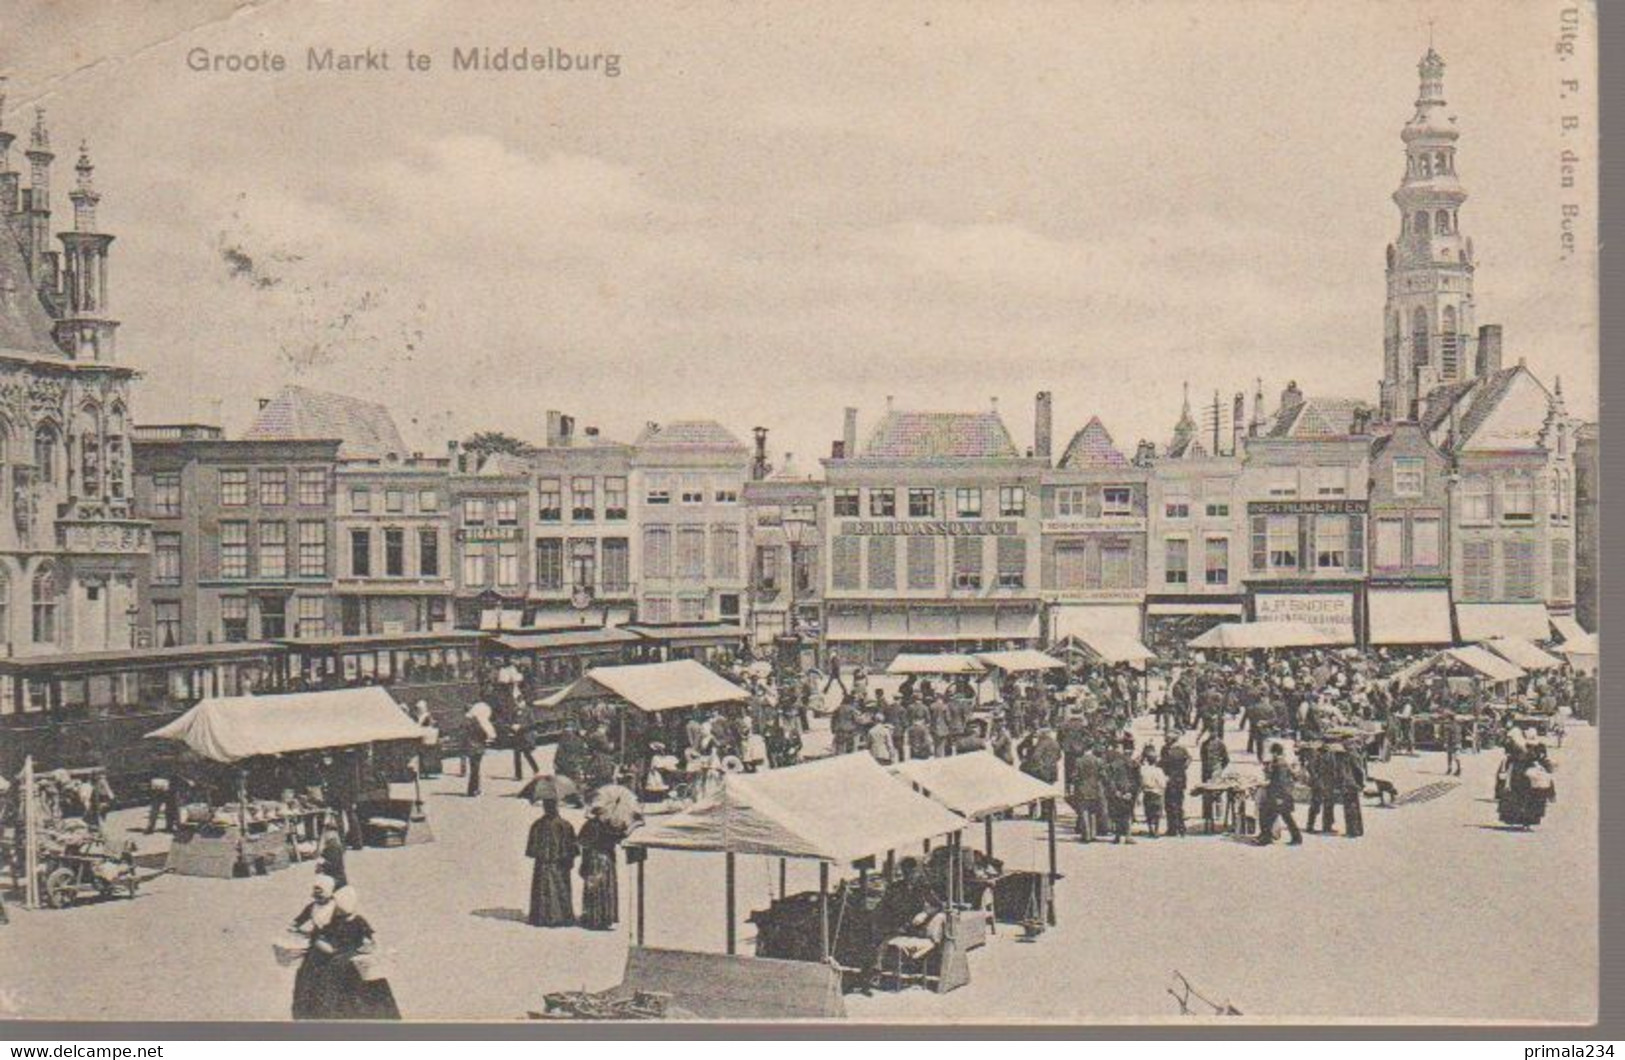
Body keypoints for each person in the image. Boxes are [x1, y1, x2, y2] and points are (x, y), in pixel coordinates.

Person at [526, 798, 578, 926]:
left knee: (543, 889)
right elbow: (573, 848)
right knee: (560, 889)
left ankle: (541, 916)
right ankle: (561, 916)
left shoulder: (537, 824)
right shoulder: (565, 825)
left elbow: (531, 850)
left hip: (542, 864)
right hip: (560, 864)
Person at [577, 805, 624, 931]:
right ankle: (605, 917)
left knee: (595, 887)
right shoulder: (612, 825)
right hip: (607, 860)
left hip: (594, 859)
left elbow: (582, 843)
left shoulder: (590, 825)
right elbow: (620, 838)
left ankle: (594, 917)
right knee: (605, 887)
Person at [1256, 743, 1303, 846]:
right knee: (1281, 816)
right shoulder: (1283, 762)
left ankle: (1266, 838)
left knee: (1273, 816)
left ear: (1276, 753)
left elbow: (1279, 782)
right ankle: (1296, 838)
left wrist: (1278, 795)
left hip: (1280, 795)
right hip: (1283, 794)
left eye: (1273, 753)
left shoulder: (1279, 764)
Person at [1199, 729, 1229, 832]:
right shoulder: (1204, 744)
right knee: (1206, 793)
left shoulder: (1221, 744)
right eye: (1211, 731)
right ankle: (1207, 815)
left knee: (1217, 792)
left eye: (1214, 731)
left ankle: (1219, 812)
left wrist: (1219, 769)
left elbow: (1226, 759)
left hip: (1216, 770)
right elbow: (1202, 758)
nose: (1213, 733)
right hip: (1206, 770)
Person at [1160, 735, 1190, 837]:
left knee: (1170, 805)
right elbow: (1189, 759)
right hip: (1180, 779)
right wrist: (1183, 768)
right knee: (1179, 804)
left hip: (1171, 780)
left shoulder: (1166, 750)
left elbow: (1163, 763)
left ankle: (1172, 829)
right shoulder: (1182, 749)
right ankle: (1181, 828)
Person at [464, 701, 496, 797]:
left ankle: (472, 789)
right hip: (477, 748)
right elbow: (485, 735)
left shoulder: (468, 722)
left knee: (474, 769)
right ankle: (474, 790)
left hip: (470, 747)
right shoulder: (478, 723)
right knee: (476, 770)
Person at [510, 698, 540, 779]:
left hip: (526, 736)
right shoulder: (515, 711)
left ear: (523, 702)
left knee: (527, 754)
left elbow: (532, 724)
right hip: (517, 736)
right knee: (516, 756)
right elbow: (512, 721)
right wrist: (512, 726)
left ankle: (536, 770)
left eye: (520, 702)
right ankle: (518, 775)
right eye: (517, 702)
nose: (518, 704)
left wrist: (521, 727)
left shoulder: (529, 711)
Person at [1139, 749, 1166, 839]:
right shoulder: (1158, 770)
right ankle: (1156, 830)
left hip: (1147, 793)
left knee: (1148, 812)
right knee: (1157, 813)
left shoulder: (1143, 770)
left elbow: (1141, 782)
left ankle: (1150, 829)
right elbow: (1162, 783)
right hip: (1157, 793)